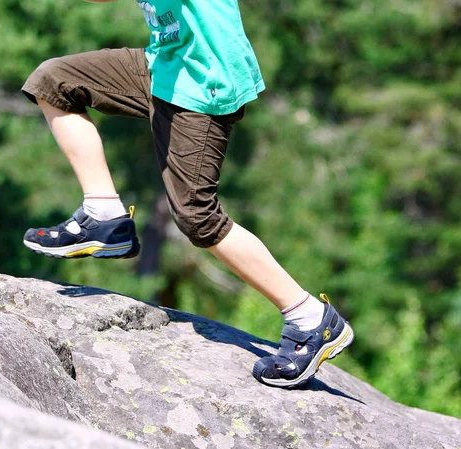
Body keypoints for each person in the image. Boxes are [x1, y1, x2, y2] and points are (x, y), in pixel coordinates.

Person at [20, 0, 354, 388]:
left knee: (197, 216)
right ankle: (103, 214)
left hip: (204, 79)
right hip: (165, 64)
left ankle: (310, 317)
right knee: (54, 81)